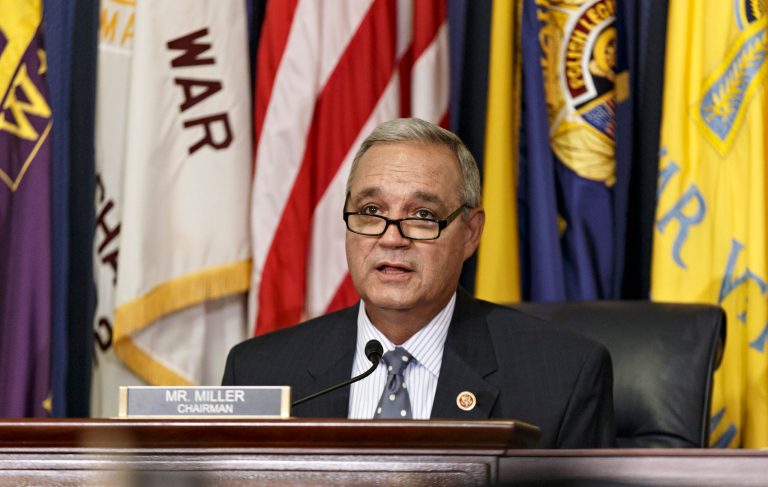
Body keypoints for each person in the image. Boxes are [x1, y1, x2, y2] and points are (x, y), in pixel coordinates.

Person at [222, 118, 615, 448]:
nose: (392, 237)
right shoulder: (260, 373)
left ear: (471, 233)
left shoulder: (563, 376)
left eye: (422, 215)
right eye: (371, 211)